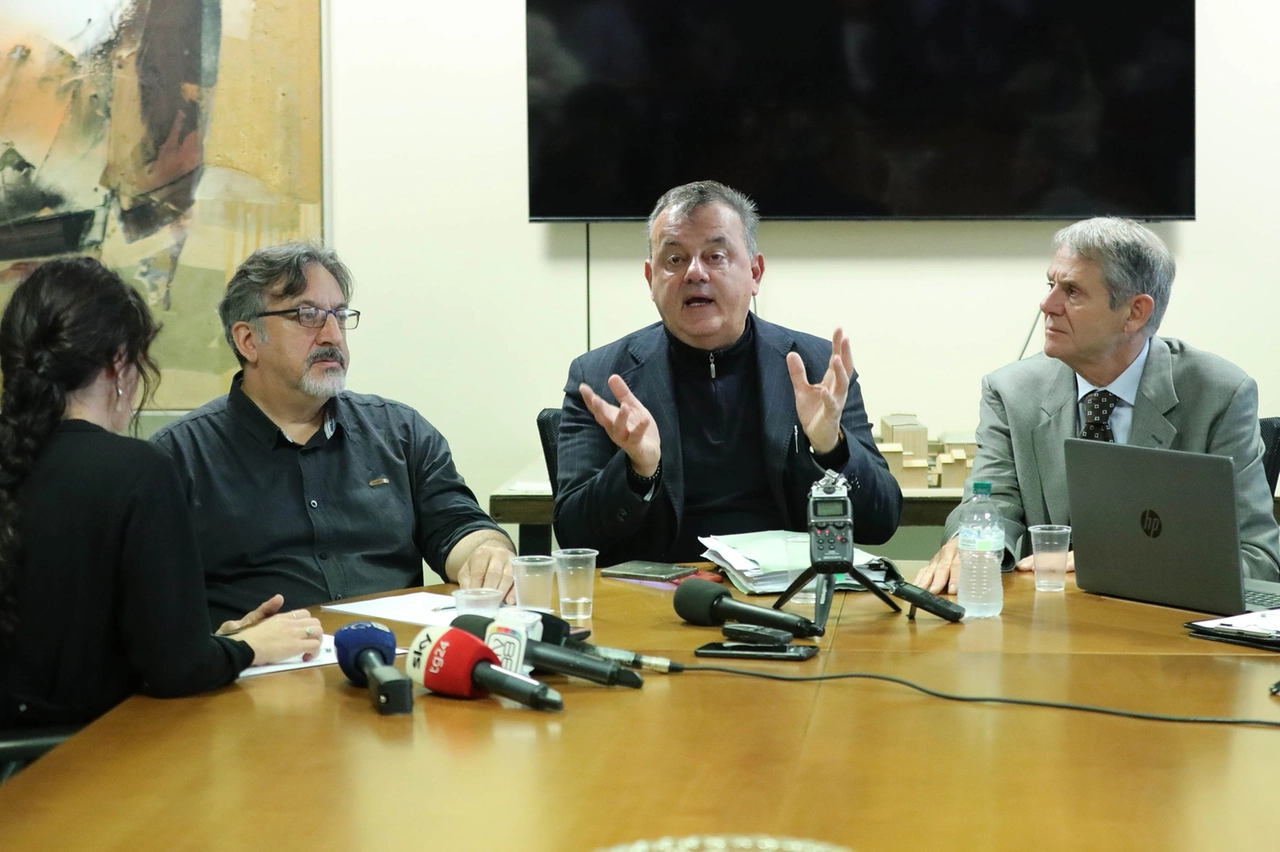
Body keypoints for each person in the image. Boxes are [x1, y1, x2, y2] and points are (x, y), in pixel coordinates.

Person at [0, 257, 321, 728]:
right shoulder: (138, 472)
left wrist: (218, 643)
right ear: (119, 364)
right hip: (87, 763)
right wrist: (252, 647)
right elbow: (175, 670)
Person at [151, 242, 515, 625]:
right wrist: (221, 646)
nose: (332, 335)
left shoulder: (401, 433)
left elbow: (457, 527)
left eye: (339, 316)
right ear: (248, 340)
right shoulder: (178, 457)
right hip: (266, 671)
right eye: (307, 315)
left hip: (394, 658)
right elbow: (154, 609)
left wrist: (486, 551)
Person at [915, 217, 1280, 594]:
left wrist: (1121, 562)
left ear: (1135, 312)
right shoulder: (1011, 391)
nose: (1047, 304)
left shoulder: (1218, 395)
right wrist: (971, 538)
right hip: (1053, 623)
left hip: (1164, 631)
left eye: (1071, 291)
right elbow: (994, 502)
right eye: (1051, 284)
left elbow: (1258, 558)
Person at [555, 180, 902, 565]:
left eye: (716, 256)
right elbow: (573, 535)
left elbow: (881, 521)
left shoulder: (817, 366)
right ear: (650, 279)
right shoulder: (603, 377)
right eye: (674, 259)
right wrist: (638, 471)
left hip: (788, 596)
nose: (694, 273)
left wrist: (831, 449)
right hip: (657, 597)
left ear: (755, 273)